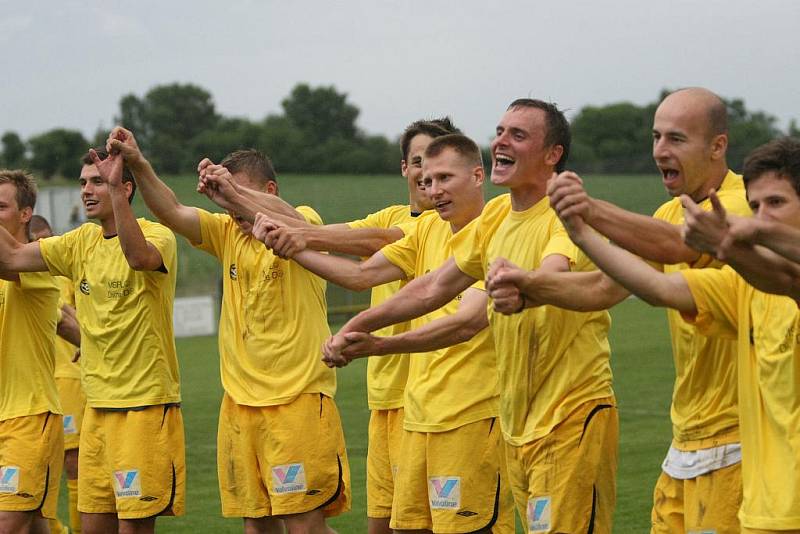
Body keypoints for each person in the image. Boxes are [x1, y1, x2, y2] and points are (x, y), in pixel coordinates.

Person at [322, 101, 617, 534]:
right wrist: (358, 326)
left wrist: (524, 284)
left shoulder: (564, 212)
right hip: (520, 420)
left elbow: (552, 274)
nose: (500, 141)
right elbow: (434, 286)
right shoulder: (498, 215)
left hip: (570, 412)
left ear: (553, 154)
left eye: (518, 134)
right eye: (499, 131)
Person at [489, 87, 750, 533]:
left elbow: (679, 246)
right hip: (686, 435)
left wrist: (588, 210)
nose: (660, 151)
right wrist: (530, 288)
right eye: (656, 137)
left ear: (717, 146)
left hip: (740, 438)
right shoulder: (669, 211)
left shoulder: (740, 205)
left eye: (676, 139)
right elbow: (604, 287)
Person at [254, 133, 513, 534]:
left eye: (444, 178)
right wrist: (294, 252)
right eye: (427, 180)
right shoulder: (426, 230)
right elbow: (367, 276)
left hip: (473, 415)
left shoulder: (498, 229)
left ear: (479, 175)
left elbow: (468, 321)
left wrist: (377, 344)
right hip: (420, 415)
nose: (433, 190)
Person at [105, 126, 350, 534]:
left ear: (270, 189)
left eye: (240, 193)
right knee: (256, 526)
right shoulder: (227, 233)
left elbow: (292, 222)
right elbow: (171, 210)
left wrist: (232, 195)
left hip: (298, 400)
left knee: (305, 526)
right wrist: (139, 163)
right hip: (239, 405)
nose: (231, 207)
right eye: (224, 196)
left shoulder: (303, 220)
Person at [555, 136, 800, 534]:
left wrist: (735, 237)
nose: (760, 218)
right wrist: (583, 235)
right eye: (755, 207)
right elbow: (659, 289)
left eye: (776, 203)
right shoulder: (744, 288)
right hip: (765, 510)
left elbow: (791, 276)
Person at [0, 147, 184, 534]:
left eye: (98, 181)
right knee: (92, 528)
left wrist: (115, 192)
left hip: (144, 406)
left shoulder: (158, 236)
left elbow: (138, 259)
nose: (86, 189)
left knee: (133, 528)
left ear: (126, 187)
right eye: (84, 182)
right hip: (97, 409)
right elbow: (13, 257)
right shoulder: (80, 241)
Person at [0, 170, 63, 534]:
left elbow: (9, 260)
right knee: (37, 525)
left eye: (1, 206)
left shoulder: (39, 262)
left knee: (9, 524)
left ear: (26, 214)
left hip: (29, 417)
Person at [30, 214, 85, 534]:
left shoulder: (64, 275)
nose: (44, 248)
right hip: (31, 383)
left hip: (68, 378)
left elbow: (78, 316)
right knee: (33, 474)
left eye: (48, 240)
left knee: (74, 462)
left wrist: (88, 340)